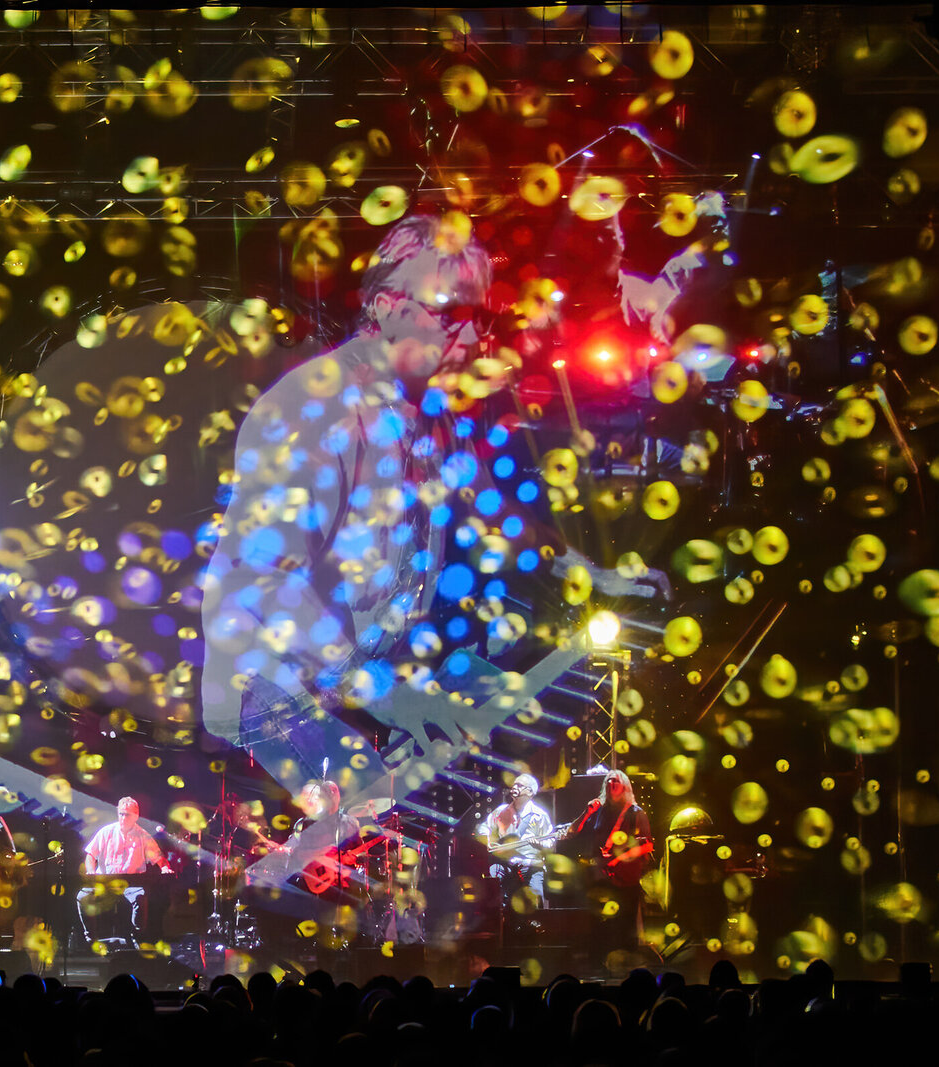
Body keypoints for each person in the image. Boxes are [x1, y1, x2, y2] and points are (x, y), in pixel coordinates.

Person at [200, 213, 641, 807]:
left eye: (481, 320)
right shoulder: (313, 410)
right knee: (371, 820)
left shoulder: (431, 412)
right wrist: (380, 690)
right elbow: (268, 583)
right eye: (451, 315)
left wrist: (591, 573)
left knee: (517, 711)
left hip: (376, 667)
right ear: (386, 308)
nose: (474, 339)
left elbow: (494, 517)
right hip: (273, 682)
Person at [566, 769, 654, 969]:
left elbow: (646, 845)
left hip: (625, 877)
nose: (611, 784)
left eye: (616, 781)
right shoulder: (599, 812)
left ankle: (628, 967)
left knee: (626, 925)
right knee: (600, 923)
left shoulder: (635, 812)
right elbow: (572, 832)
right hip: (602, 878)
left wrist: (617, 859)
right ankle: (600, 966)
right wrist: (586, 812)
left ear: (624, 786)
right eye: (608, 781)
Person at [77, 797, 173, 945]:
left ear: (136, 816)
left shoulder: (143, 836)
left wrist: (165, 867)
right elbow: (91, 855)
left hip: (132, 884)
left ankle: (137, 938)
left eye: (127, 814)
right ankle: (91, 939)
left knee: (140, 899)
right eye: (121, 814)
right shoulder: (106, 832)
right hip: (105, 882)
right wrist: (91, 871)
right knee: (83, 896)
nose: (123, 818)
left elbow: (159, 858)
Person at [476, 772, 554, 911]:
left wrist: (539, 844)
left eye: (519, 785)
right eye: (514, 785)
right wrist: (488, 840)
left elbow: (550, 842)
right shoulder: (501, 811)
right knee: (491, 885)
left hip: (530, 864)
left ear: (530, 792)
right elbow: (484, 827)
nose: (514, 788)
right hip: (505, 863)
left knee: (536, 897)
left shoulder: (540, 815)